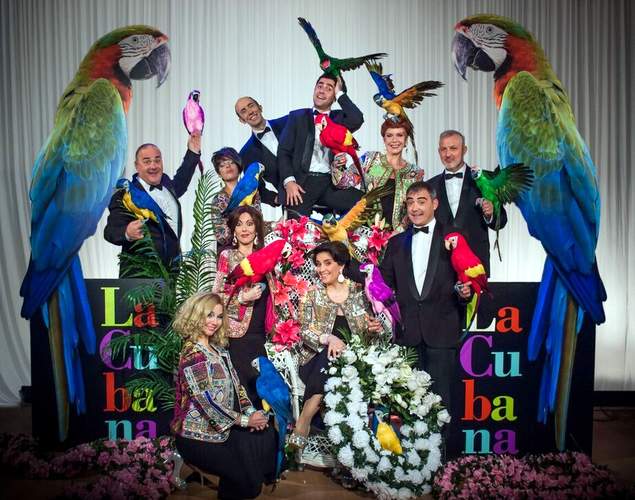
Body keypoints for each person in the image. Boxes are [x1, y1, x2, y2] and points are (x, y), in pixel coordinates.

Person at [379, 181, 472, 422]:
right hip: (407, 336)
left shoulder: (454, 236)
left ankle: (441, 448)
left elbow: (467, 277)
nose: (415, 208)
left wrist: (465, 293)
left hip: (442, 333)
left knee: (441, 404)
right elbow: (383, 286)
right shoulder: (396, 243)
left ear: (435, 204)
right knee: (407, 404)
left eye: (421, 202)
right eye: (410, 203)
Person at [171, 291, 276, 499]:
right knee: (245, 476)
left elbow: (238, 389)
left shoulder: (220, 351)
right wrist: (245, 421)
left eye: (219, 316)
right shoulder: (193, 354)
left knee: (264, 437)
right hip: (196, 437)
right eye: (209, 315)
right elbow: (206, 402)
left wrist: (253, 413)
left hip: (222, 428)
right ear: (196, 314)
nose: (215, 322)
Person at [289, 241, 385, 449]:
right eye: (318, 264)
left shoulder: (360, 293)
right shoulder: (312, 293)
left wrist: (373, 329)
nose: (321, 269)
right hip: (315, 360)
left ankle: (306, 420)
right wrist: (328, 338)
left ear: (341, 265)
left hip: (353, 361)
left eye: (327, 263)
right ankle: (305, 420)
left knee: (340, 358)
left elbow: (372, 336)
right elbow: (304, 330)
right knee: (330, 356)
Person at [104, 134, 201, 275]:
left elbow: (182, 178)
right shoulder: (126, 195)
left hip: (171, 275)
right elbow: (110, 232)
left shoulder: (168, 186)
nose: (153, 166)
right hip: (140, 278)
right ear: (137, 166)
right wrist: (127, 232)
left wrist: (192, 151)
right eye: (147, 161)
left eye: (157, 160)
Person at [277, 75, 364, 217]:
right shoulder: (297, 117)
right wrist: (289, 182)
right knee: (295, 225)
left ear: (334, 96)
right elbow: (283, 152)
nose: (322, 91)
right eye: (319, 86)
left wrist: (340, 93)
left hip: (330, 182)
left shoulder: (339, 118)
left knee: (364, 203)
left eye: (329, 89)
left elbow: (357, 118)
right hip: (301, 183)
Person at [212, 206, 272, 406]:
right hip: (237, 333)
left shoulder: (266, 256)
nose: (245, 229)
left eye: (249, 224)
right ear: (233, 230)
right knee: (242, 389)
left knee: (263, 389)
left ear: (257, 229)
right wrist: (241, 298)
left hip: (264, 334)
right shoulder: (227, 256)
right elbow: (217, 296)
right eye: (239, 224)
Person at [428, 130, 507, 275]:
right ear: (439, 151)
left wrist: (490, 214)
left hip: (475, 266)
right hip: (439, 267)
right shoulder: (429, 186)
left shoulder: (484, 180)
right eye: (444, 149)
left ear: (464, 150)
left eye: (453, 148)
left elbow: (501, 221)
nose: (448, 154)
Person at [356, 118, 425, 232]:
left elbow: (415, 208)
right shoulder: (370, 160)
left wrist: (398, 232)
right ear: (384, 139)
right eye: (389, 135)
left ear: (406, 140)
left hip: (399, 237)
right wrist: (338, 161)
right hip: (365, 234)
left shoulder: (414, 173)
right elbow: (343, 182)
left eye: (399, 135)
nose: (394, 140)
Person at [236, 96, 287, 209]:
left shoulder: (288, 122)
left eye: (251, 106)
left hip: (320, 185)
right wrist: (276, 198)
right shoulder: (246, 153)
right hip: (292, 202)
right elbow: (255, 187)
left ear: (260, 107)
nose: (250, 111)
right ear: (242, 120)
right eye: (243, 111)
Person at [209, 147, 262, 249]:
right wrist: (244, 232)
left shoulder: (254, 191)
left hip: (253, 249)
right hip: (228, 251)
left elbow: (258, 221)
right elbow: (221, 236)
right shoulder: (218, 200)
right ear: (219, 173)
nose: (228, 166)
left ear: (239, 166)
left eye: (232, 162)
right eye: (222, 165)